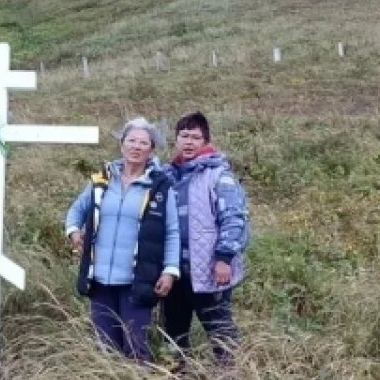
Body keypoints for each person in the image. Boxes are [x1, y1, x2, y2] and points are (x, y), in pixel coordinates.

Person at [65, 118, 180, 362]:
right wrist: (74, 231)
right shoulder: (102, 181)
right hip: (100, 280)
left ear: (152, 150)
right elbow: (76, 209)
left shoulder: (160, 187)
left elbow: (172, 231)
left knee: (137, 348)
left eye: (143, 143)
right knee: (106, 350)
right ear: (121, 145)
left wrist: (170, 271)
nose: (136, 147)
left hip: (137, 281)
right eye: (131, 141)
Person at [161, 111, 250, 365]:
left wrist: (224, 258)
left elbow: (234, 218)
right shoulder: (167, 176)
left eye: (195, 137)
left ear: (205, 141)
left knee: (220, 329)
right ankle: (175, 379)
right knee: (173, 331)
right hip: (174, 272)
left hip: (209, 270)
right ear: (176, 140)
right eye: (184, 136)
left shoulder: (218, 175)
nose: (188, 142)